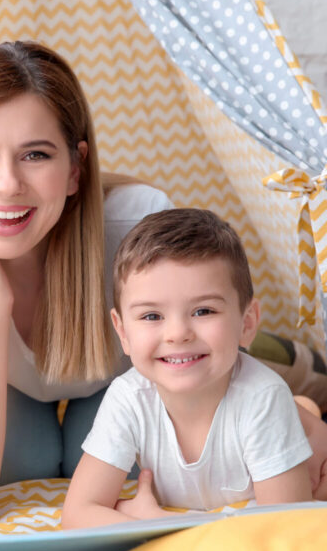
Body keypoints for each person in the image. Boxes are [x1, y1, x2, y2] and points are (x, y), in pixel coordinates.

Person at [0, 41, 327, 525]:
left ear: (75, 169)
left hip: (142, 376)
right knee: (23, 456)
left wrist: (293, 415)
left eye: (35, 155)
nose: (7, 184)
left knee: (187, 405)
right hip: (15, 389)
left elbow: (208, 357)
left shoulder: (135, 225)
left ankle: (303, 389)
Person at [62, 209, 313, 528]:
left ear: (247, 323)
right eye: (152, 316)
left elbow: (287, 530)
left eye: (203, 310)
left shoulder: (262, 398)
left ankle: (307, 415)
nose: (177, 333)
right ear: (123, 332)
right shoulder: (129, 397)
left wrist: (153, 521)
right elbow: (77, 514)